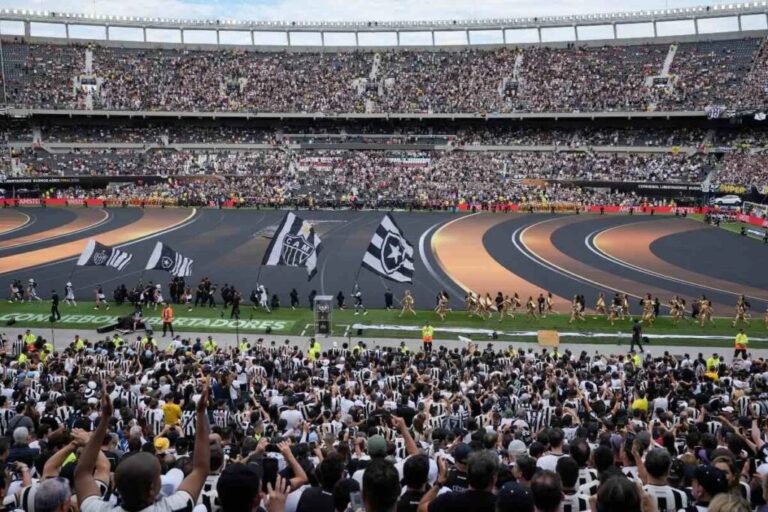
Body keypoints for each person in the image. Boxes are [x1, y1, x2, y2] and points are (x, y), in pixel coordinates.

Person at [76, 379, 211, 512]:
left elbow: (83, 473)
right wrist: (200, 413)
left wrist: (105, 418)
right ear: (152, 489)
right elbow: (200, 469)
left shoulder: (96, 509)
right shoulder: (173, 507)